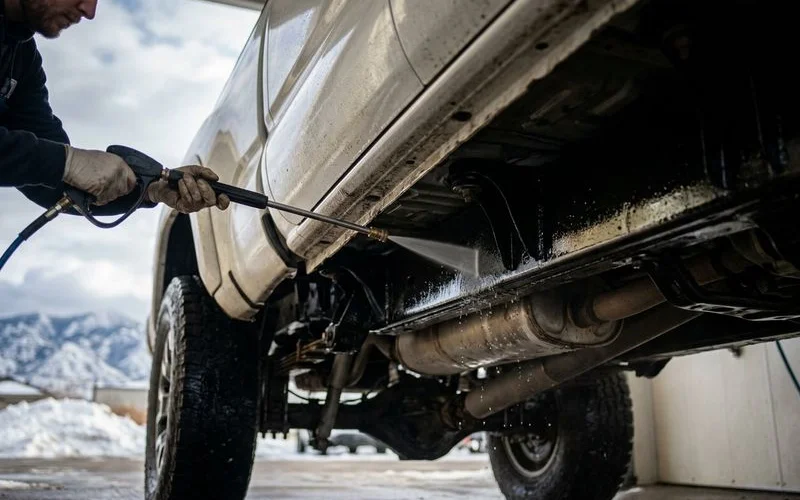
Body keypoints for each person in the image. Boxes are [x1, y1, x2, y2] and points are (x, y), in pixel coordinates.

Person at [0, 0, 229, 214]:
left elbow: (58, 181)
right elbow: (56, 164)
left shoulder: (21, 59)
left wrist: (150, 189)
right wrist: (66, 163)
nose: (89, 11)